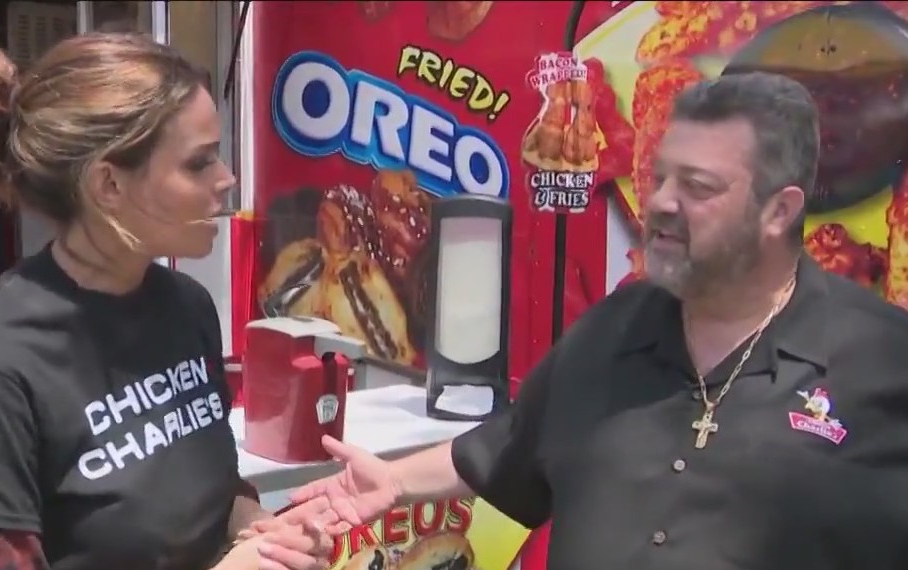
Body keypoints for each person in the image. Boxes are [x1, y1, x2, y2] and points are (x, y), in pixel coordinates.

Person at [248, 72, 908, 568]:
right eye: (659, 180)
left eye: (698, 188)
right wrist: (394, 481)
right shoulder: (611, 329)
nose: (661, 205)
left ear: (777, 211)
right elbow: (512, 445)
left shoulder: (881, 362)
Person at [0, 34, 336, 570]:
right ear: (108, 184)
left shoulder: (187, 308)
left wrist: (256, 525)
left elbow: (203, 493)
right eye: (198, 162)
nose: (227, 179)